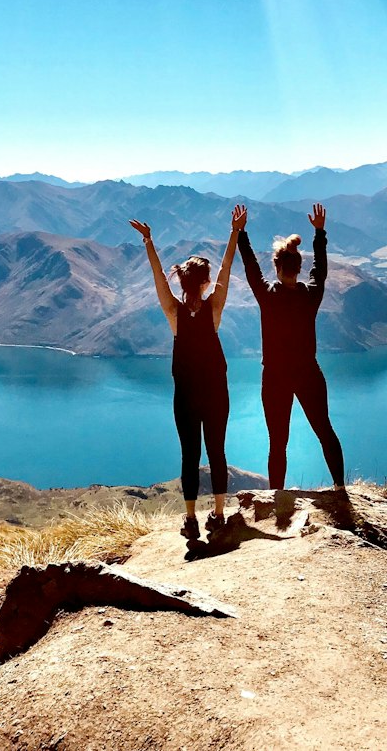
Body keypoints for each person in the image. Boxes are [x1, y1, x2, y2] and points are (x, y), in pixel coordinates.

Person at [129, 205, 247, 541]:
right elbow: (227, 267)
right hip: (215, 392)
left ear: (181, 281)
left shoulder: (174, 313)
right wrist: (235, 232)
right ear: (206, 282)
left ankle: (192, 518)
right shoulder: (215, 308)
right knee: (217, 451)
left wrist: (149, 243)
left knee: (190, 455)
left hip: (185, 395)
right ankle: (220, 514)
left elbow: (157, 277)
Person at [237, 203, 345, 492]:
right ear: (298, 268)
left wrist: (240, 233)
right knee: (325, 431)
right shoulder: (311, 296)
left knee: (277, 443)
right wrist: (319, 232)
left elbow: (250, 268)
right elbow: (319, 272)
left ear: (276, 266)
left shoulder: (267, 296)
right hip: (308, 373)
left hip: (274, 378)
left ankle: (277, 498)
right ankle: (339, 489)